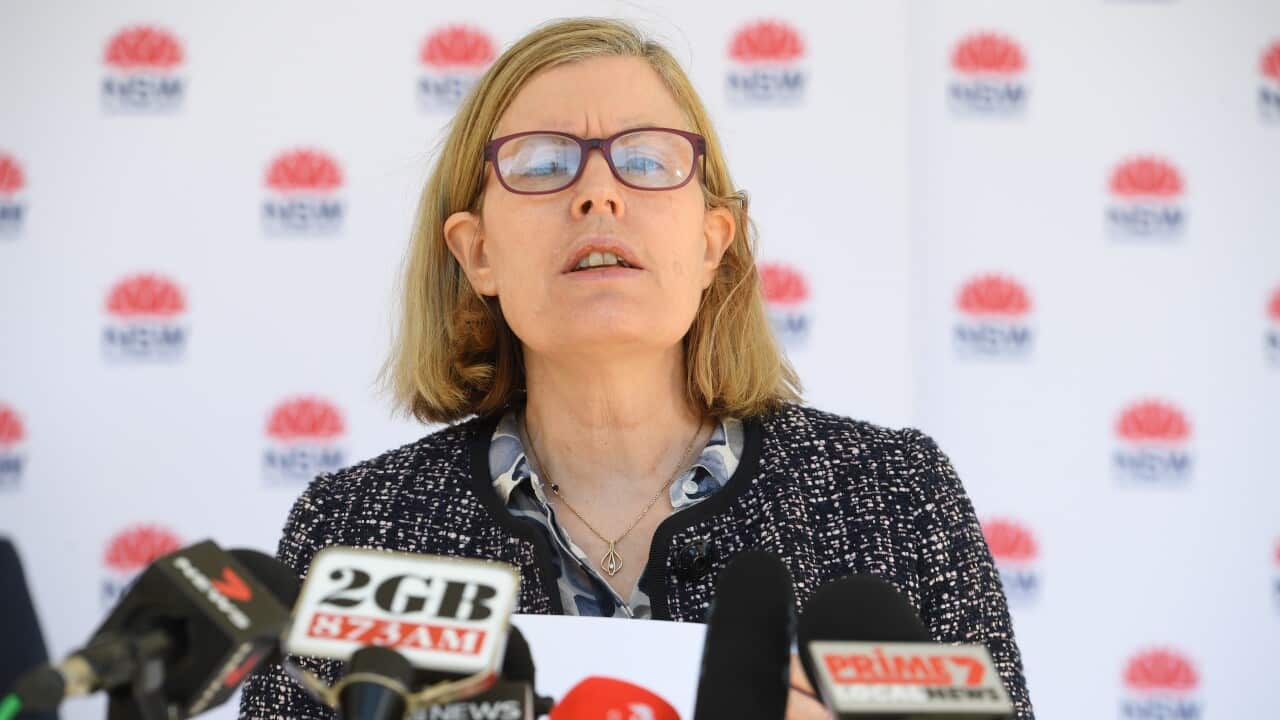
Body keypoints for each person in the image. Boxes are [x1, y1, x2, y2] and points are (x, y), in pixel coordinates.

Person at [239, 16, 1034, 720]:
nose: (598, 194)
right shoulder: (354, 531)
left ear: (713, 243)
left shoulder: (895, 496)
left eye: (647, 161)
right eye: (542, 164)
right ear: (477, 252)